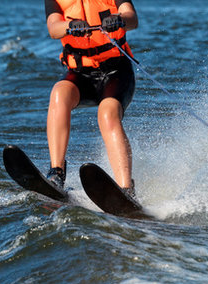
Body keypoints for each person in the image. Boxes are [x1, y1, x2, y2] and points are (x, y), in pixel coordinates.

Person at [44, 0, 139, 198]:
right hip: (81, 73)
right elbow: (54, 29)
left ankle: (126, 190)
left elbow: (132, 18)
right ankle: (56, 173)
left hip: (116, 71)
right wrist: (69, 26)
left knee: (107, 114)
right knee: (59, 94)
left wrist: (120, 20)